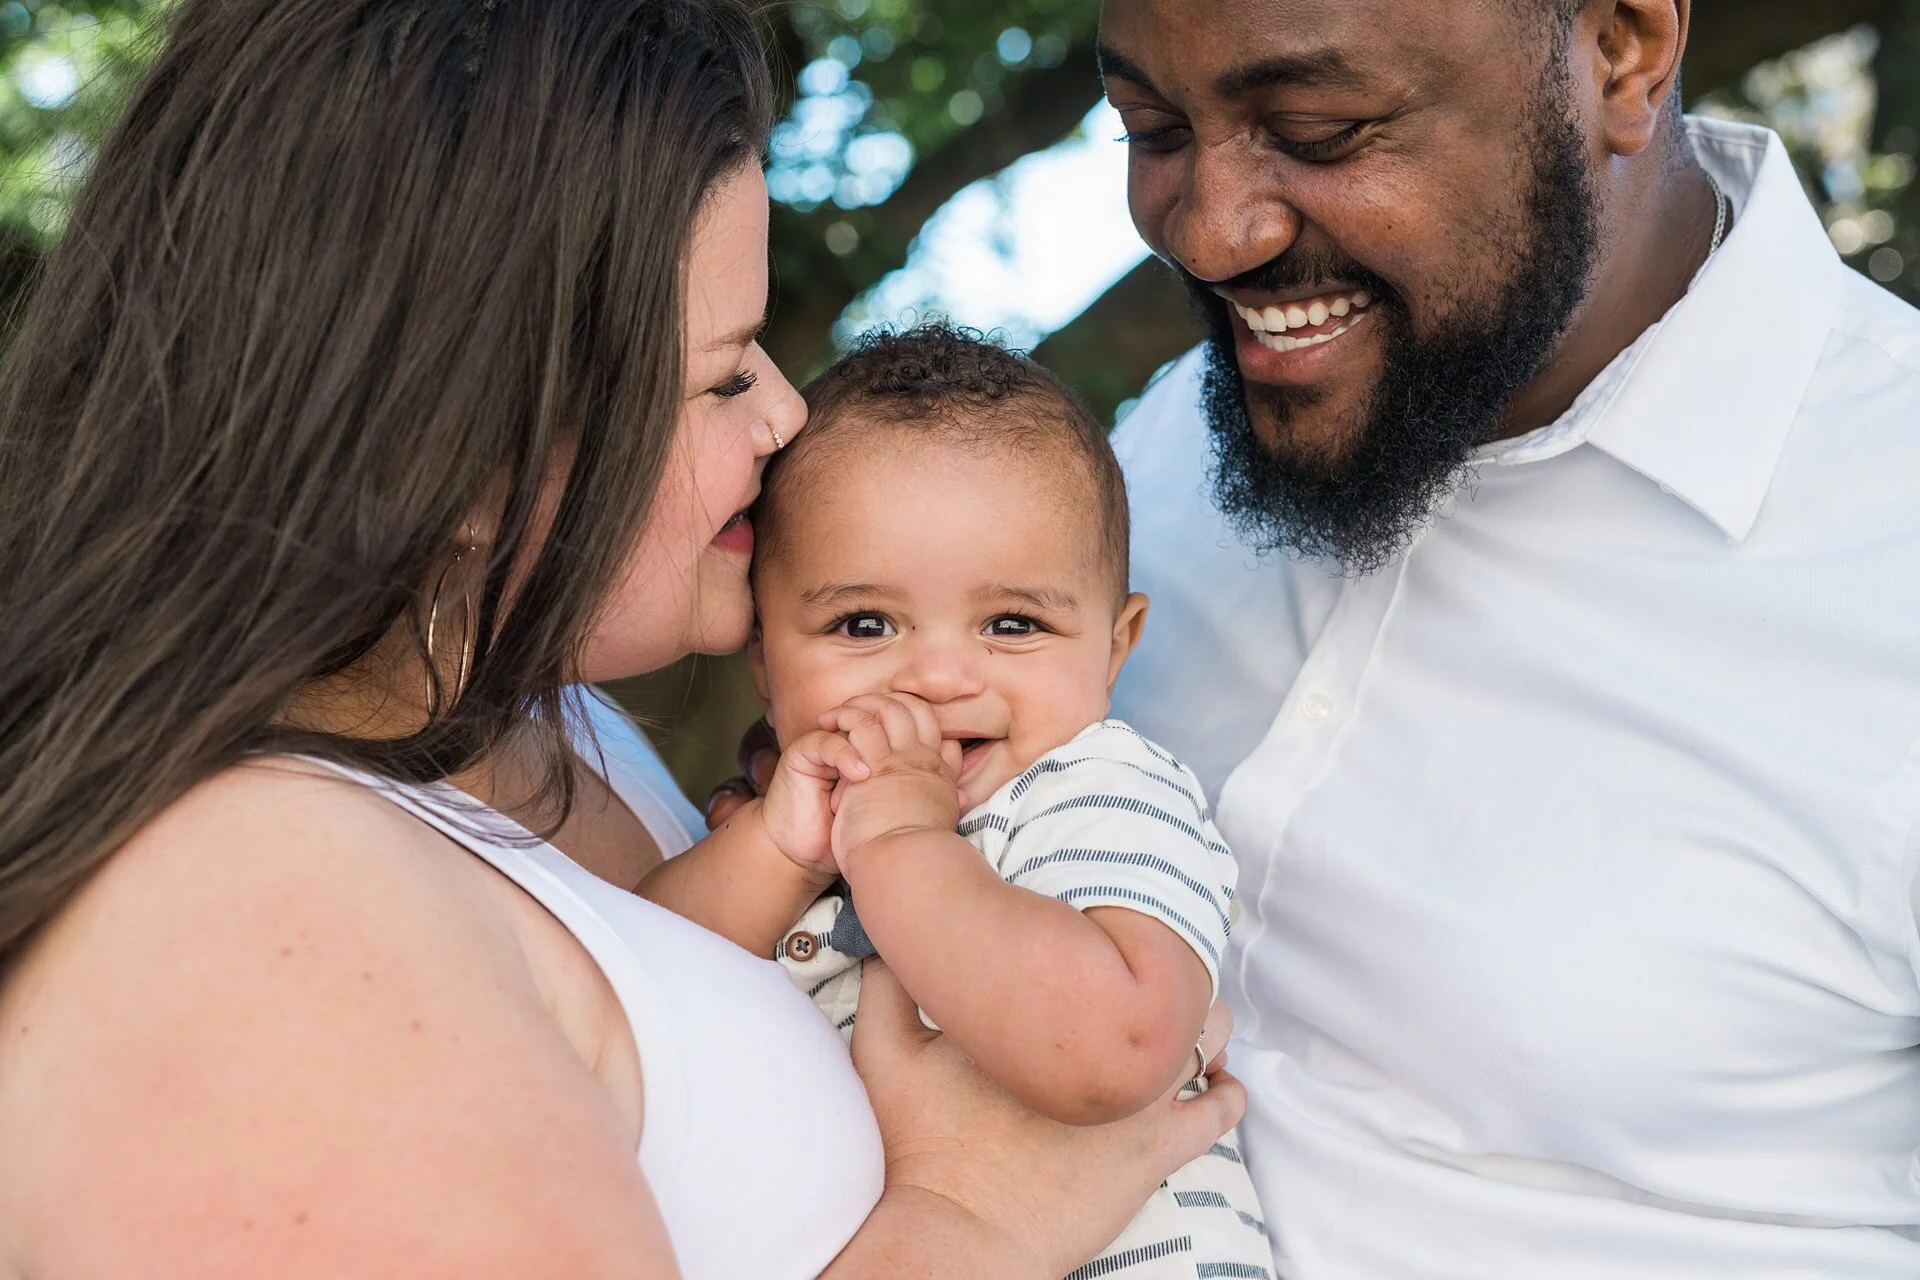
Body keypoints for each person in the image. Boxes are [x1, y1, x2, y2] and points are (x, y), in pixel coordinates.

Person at [0, 1, 1247, 1276]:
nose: (785, 415)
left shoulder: (549, 729)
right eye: (723, 375)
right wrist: (968, 1223)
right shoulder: (261, 919)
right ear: (470, 455)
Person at [1100, 0, 1920, 1274]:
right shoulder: (1158, 450)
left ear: (1622, 51)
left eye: (1319, 128)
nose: (1211, 233)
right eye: (1149, 127)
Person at [701, 324, 1275, 1279]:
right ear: (766, 660)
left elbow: (1119, 1047)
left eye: (1012, 623)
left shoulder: (1099, 791)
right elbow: (640, 976)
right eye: (865, 623)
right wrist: (774, 854)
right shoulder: (802, 809)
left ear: (1114, 648)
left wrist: (898, 841)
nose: (935, 675)